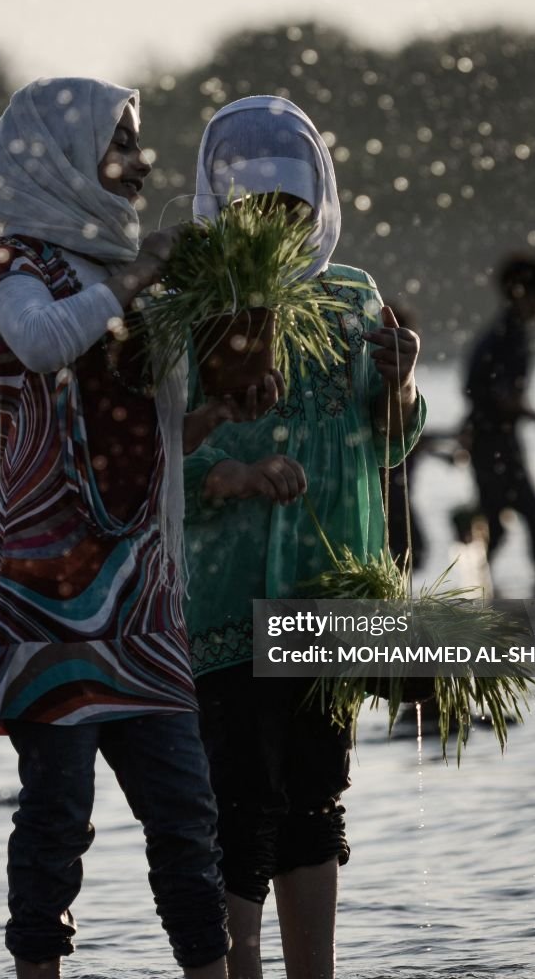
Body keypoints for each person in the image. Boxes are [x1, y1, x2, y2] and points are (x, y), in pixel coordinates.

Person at [0, 77, 281, 979]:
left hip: (141, 596)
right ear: (65, 158)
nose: (142, 162)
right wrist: (138, 274)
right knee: (58, 819)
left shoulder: (129, 284)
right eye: (122, 143)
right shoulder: (15, 269)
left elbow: (141, 438)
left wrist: (223, 411)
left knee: (188, 818)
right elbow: (41, 344)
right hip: (50, 596)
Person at [183, 96, 426, 979]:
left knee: (316, 797)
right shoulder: (190, 309)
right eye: (253, 210)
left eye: (289, 208)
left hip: (330, 591)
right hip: (225, 599)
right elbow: (147, 462)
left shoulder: (350, 295)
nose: (273, 227)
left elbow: (390, 440)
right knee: (240, 801)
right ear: (219, 204)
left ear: (317, 200)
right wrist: (239, 478)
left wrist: (398, 382)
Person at [463, 252, 535, 597]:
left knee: (501, 519)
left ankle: (487, 591)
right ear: (522, 294)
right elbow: (494, 392)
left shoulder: (503, 332)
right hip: (494, 442)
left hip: (493, 440)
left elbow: (480, 388)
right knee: (533, 516)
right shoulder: (508, 335)